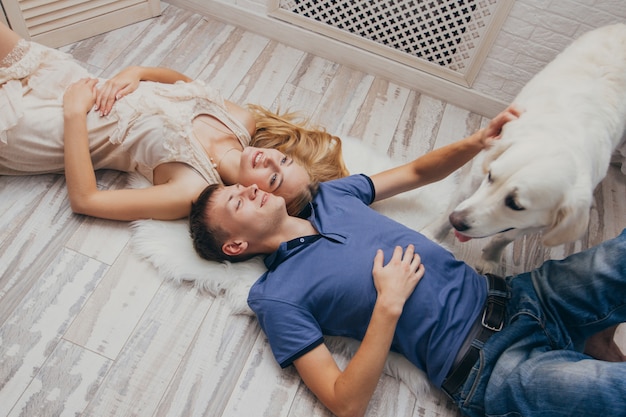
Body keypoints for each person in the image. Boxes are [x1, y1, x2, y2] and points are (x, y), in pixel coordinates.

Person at [189, 107, 626, 417]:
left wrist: (477, 142)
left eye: (243, 188)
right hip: (490, 367)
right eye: (236, 201)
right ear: (235, 246)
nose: (248, 190)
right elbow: (345, 403)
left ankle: (591, 339)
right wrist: (388, 305)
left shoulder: (333, 196)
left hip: (524, 297)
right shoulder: (275, 297)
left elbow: (416, 173)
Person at [0, 23, 347, 221]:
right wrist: (137, 72)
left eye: (273, 177)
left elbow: (87, 201)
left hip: (49, 128)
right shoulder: (242, 121)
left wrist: (74, 113)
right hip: (76, 80)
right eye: (284, 160)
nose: (270, 159)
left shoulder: (190, 188)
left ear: (260, 198)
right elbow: (183, 82)